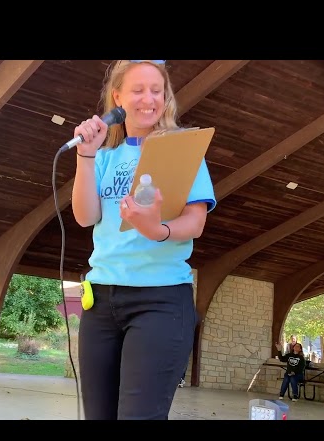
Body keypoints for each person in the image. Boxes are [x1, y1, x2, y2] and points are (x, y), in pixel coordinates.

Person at [71, 60, 216, 420]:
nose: (148, 99)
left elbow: (195, 222)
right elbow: (85, 216)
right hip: (101, 301)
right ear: (117, 96)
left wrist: (157, 230)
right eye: (138, 90)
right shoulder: (104, 155)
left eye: (157, 90)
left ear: (166, 97)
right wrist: (85, 156)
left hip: (161, 300)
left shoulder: (184, 150)